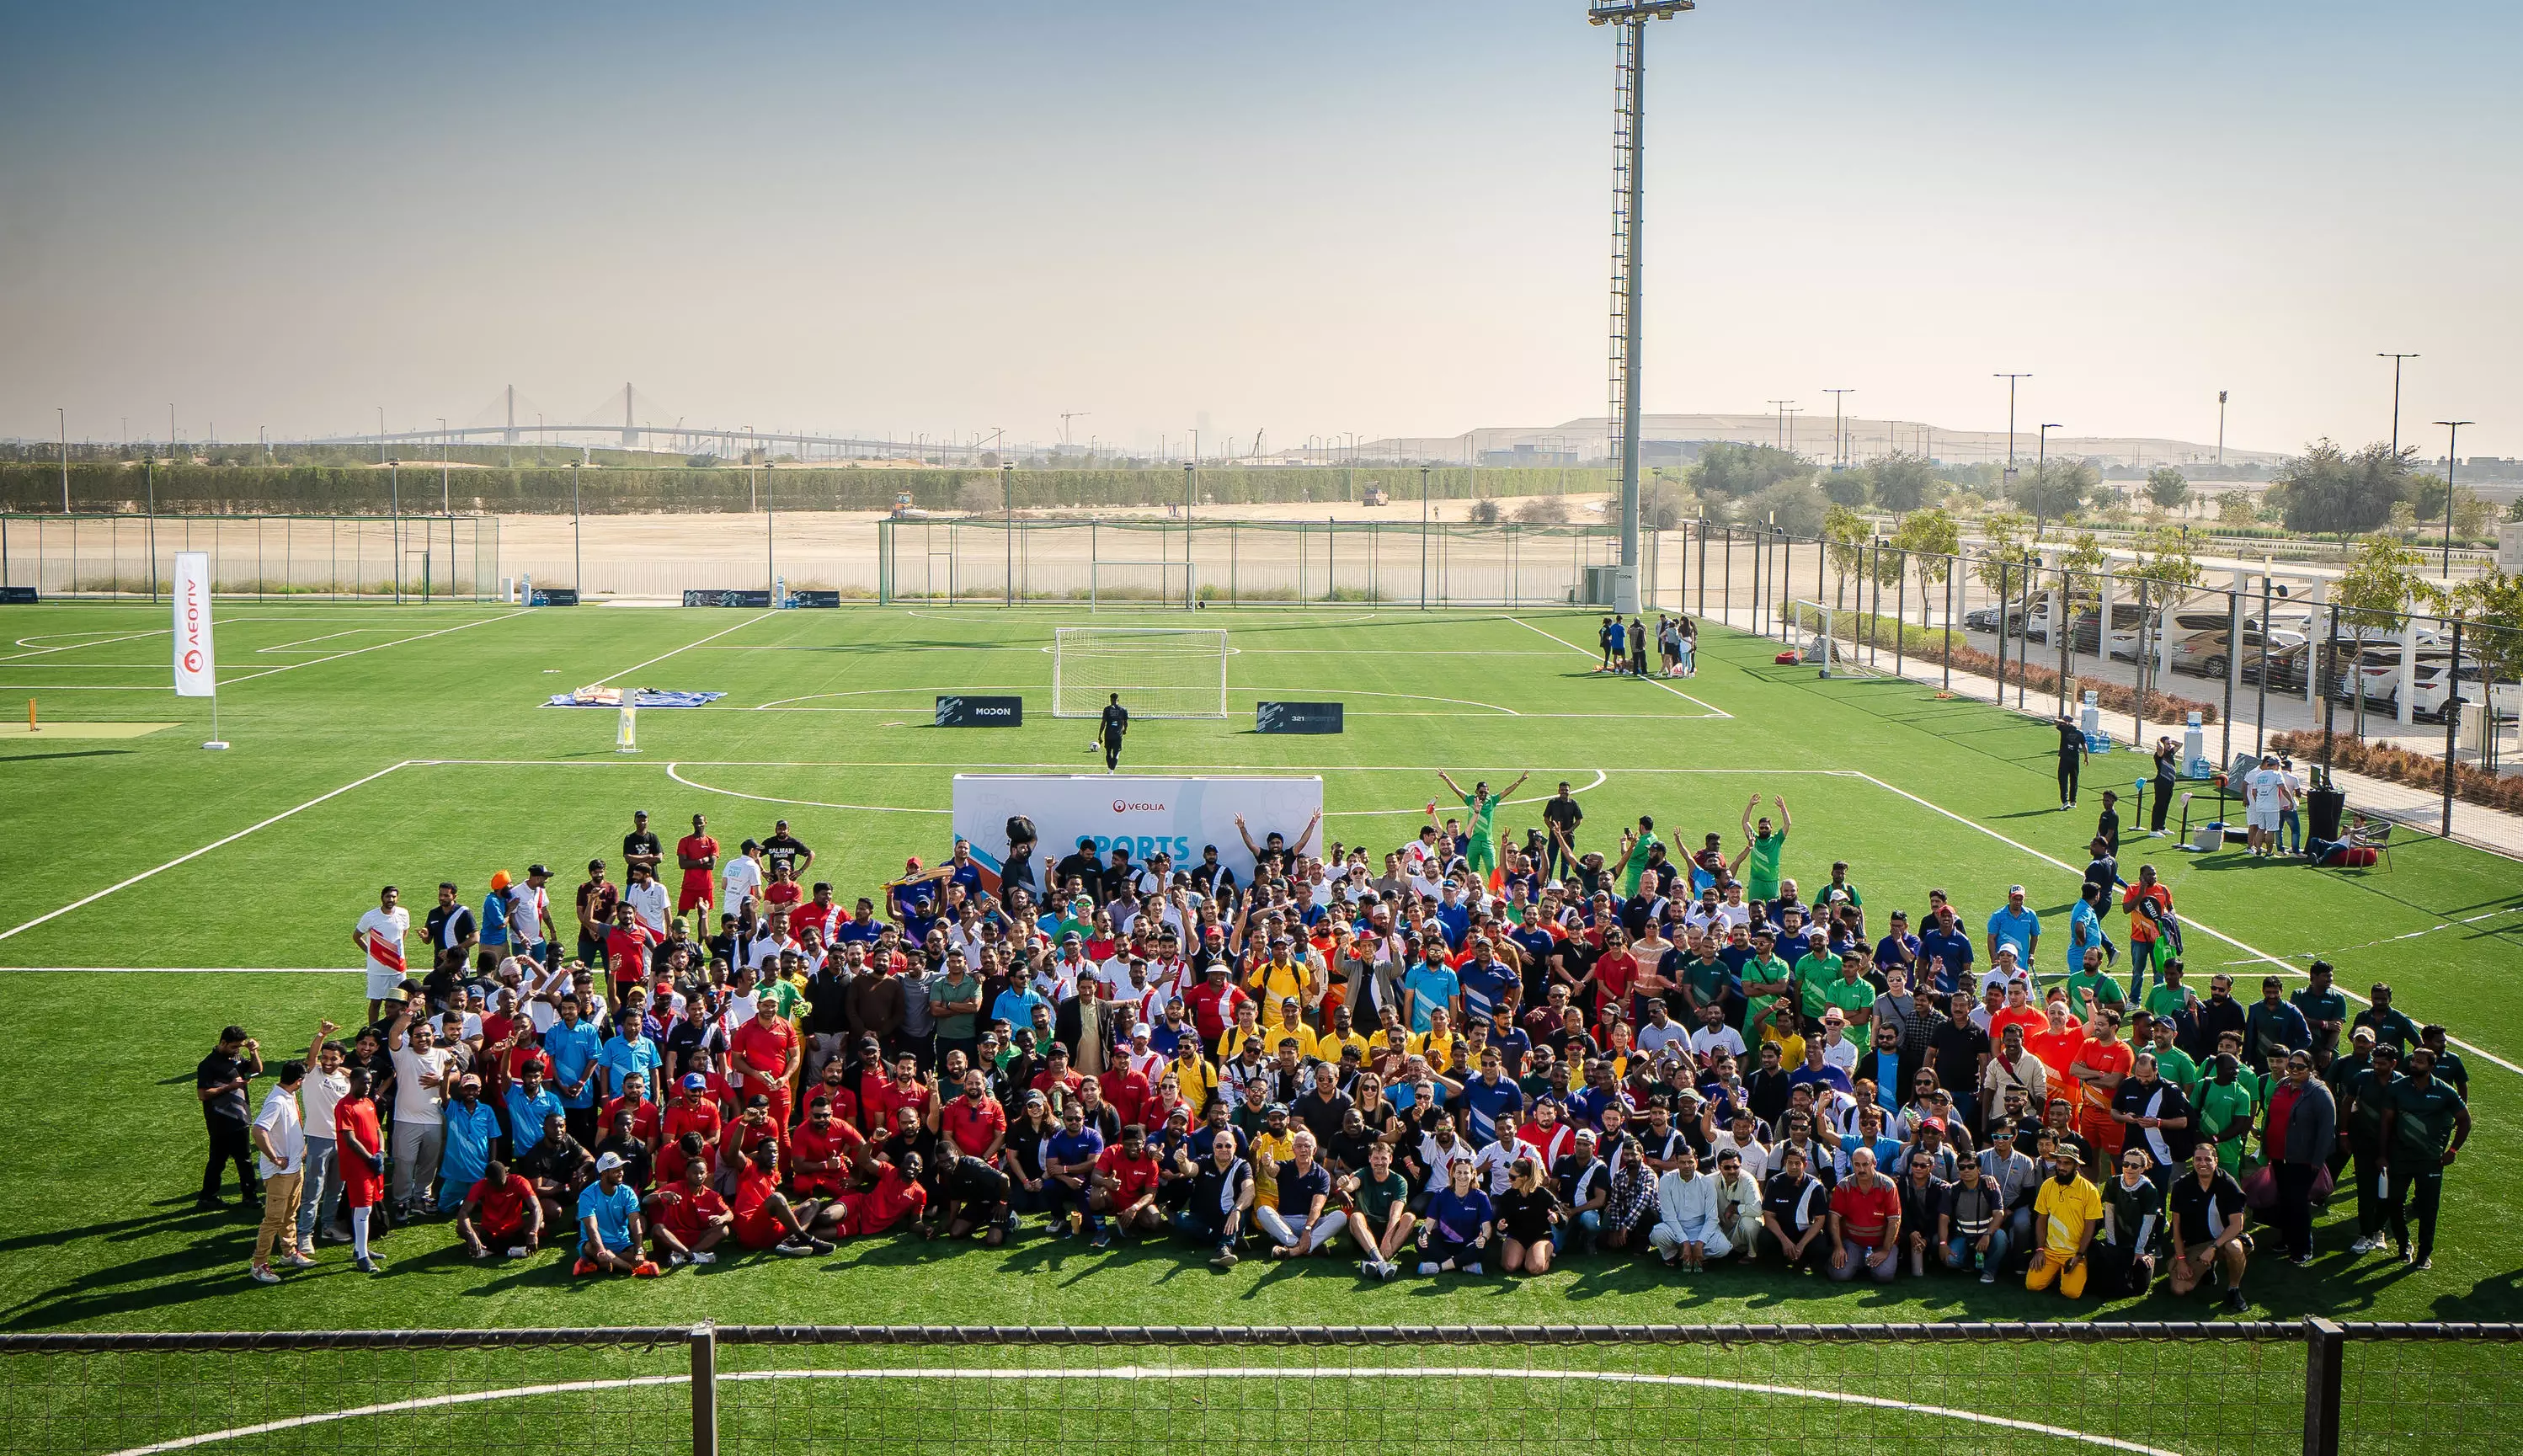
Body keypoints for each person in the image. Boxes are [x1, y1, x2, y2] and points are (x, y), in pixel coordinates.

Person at [2377, 1045, 2470, 1271]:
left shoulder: (2445, 1091)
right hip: (2400, 1157)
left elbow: (2465, 1120)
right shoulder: (2397, 1088)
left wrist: (2453, 1151)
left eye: (2420, 1061)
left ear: (2431, 1066)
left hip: (2430, 1160)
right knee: (2393, 1202)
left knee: (2428, 1208)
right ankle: (2403, 1243)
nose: (2414, 1064)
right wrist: (2382, 1154)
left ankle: (2424, 1253)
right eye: (2413, 1060)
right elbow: (2386, 1123)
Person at [2262, 1049, 2335, 1267]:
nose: (2294, 1069)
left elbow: (2326, 1131)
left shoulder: (2320, 1093)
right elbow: (2271, 1116)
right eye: (2292, 1065)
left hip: (2302, 1159)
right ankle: (2286, 1239)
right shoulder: (2282, 1085)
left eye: (2300, 1066)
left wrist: (2317, 1160)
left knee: (2299, 1203)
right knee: (2284, 1199)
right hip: (2278, 1155)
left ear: (2311, 1069)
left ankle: (2303, 1247)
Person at [246, 1060, 312, 1283]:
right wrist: (274, 1157)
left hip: (294, 1167)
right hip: (279, 1172)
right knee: (273, 1219)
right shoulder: (276, 1101)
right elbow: (258, 1131)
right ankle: (258, 1264)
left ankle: (289, 1252)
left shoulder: (288, 1095)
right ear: (298, 1080)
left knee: (289, 1214)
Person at [2167, 1141, 2252, 1312]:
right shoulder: (2182, 1185)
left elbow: (2237, 1225)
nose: (2202, 1163)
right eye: (2198, 1159)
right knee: (2180, 1288)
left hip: (2225, 1240)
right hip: (2196, 1244)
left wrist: (2213, 1247)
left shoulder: (2228, 1184)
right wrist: (2181, 1260)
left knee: (2234, 1248)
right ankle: (2205, 1268)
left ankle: (2233, 1289)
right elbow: (2176, 1226)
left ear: (2216, 1161)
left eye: (2207, 1159)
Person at [196, 1024, 264, 1212]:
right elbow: (203, 1094)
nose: (237, 1050)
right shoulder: (208, 1065)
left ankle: (250, 1196)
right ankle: (208, 1197)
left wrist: (253, 1052)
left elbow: (257, 1070)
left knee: (245, 1159)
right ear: (223, 1042)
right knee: (218, 1160)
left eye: (239, 1047)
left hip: (240, 1118)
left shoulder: (235, 1057)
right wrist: (230, 1087)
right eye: (235, 1046)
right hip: (219, 1121)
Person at [2024, 1144, 2101, 1299]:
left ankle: (2067, 1274)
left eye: (2066, 1163)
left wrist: (2079, 1255)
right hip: (2049, 1252)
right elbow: (2041, 1219)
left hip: (2074, 1253)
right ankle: (2057, 1275)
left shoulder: (2090, 1190)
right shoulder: (2047, 1185)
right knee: (2032, 1285)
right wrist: (2039, 1250)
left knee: (2071, 1293)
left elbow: (2090, 1226)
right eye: (2059, 1162)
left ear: (2076, 1165)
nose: (2061, 1167)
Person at [335, 1068, 387, 1274]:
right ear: (353, 1082)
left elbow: (378, 1130)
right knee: (363, 1208)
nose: (368, 1086)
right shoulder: (344, 1106)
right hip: (358, 1166)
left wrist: (381, 1153)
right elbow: (349, 1139)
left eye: (370, 1083)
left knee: (367, 1206)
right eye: (364, 1082)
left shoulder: (369, 1104)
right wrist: (370, 1159)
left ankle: (361, 1248)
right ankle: (362, 1257)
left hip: (373, 1164)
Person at [573, 1150, 658, 1276]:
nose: (621, 1173)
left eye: (621, 1169)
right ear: (604, 1173)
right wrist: (601, 1251)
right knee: (589, 1248)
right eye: (616, 1170)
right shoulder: (587, 1195)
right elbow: (592, 1228)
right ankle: (628, 1267)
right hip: (595, 1245)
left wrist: (639, 1250)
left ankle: (600, 1263)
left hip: (621, 1243)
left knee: (640, 1253)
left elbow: (635, 1223)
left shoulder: (627, 1192)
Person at [2093, 1147, 2161, 1298]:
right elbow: (2109, 1214)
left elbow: (2148, 1222)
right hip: (2119, 1239)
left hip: (2141, 1242)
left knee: (2139, 1288)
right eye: (2126, 1164)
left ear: (2143, 1169)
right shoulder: (2113, 1182)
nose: (2129, 1168)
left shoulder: (2149, 1190)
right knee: (2111, 1283)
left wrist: (2139, 1250)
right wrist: (2112, 1243)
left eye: (2135, 1166)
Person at [1827, 1145, 1898, 1283]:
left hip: (1880, 1243)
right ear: (1852, 1164)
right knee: (1840, 1275)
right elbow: (1834, 1217)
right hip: (1853, 1242)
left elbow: (1894, 1221)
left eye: (1866, 1164)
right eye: (1857, 1165)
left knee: (1884, 1276)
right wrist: (1838, 1246)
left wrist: (1885, 1250)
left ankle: (1867, 1263)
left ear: (1874, 1163)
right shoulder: (1843, 1186)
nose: (1861, 1169)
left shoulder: (1888, 1186)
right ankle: (1852, 1262)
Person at [1416, 1157, 1495, 1275]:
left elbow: (1487, 1228)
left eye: (1466, 1173)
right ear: (1453, 1174)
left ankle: (1439, 1267)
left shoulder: (1481, 1197)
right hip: (1444, 1243)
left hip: (1467, 1244)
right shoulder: (1441, 1194)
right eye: (1459, 1172)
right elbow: (1428, 1224)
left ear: (1473, 1175)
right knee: (1420, 1244)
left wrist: (1483, 1238)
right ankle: (1464, 1265)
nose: (1462, 1176)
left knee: (1482, 1248)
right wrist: (1423, 1237)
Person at [457, 1158, 546, 1261]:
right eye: (494, 1185)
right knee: (461, 1229)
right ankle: (511, 1251)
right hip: (490, 1232)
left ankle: (491, 1251)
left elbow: (537, 1208)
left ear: (507, 1174)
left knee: (541, 1224)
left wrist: (533, 1233)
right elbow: (463, 1213)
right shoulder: (480, 1186)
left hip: (515, 1230)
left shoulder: (519, 1182)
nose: (498, 1189)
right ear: (487, 1179)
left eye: (501, 1185)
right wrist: (471, 1236)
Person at [1940, 1153, 2008, 1283]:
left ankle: (1989, 1270)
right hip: (1963, 1236)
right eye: (1962, 1167)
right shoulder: (1951, 1190)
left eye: (1971, 1166)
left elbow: (1999, 1214)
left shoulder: (1991, 1187)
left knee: (2001, 1238)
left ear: (1979, 1169)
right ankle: (1970, 1262)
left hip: (1987, 1235)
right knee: (1950, 1260)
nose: (1966, 1170)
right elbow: (1943, 1219)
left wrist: (1987, 1235)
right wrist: (1943, 1243)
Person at [1492, 1155, 1562, 1275]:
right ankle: (1524, 1254)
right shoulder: (1508, 1196)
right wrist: (1500, 1225)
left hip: (1540, 1236)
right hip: (1516, 1236)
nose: (1509, 1180)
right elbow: (1500, 1217)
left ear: (1525, 1178)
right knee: (1510, 1266)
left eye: (1512, 1177)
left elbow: (1561, 1215)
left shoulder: (1543, 1194)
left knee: (1534, 1268)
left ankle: (1547, 1253)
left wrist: (1556, 1218)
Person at [2054, 711, 2088, 811]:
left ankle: (2065, 802)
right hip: (2075, 759)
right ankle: (2073, 801)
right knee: (2074, 780)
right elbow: (2084, 745)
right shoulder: (2080, 733)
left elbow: (2055, 721)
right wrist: (2086, 757)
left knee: (2063, 779)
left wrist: (2064, 722)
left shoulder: (2064, 729)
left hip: (2065, 759)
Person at [1096, 693, 1128, 772]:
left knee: (1108, 753)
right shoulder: (1123, 710)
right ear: (1118, 700)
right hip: (1118, 735)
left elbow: (1103, 723)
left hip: (1108, 735)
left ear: (1110, 700)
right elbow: (1126, 722)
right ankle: (1111, 770)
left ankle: (1110, 770)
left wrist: (1100, 735)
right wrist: (1125, 730)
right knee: (1116, 753)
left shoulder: (1107, 709)